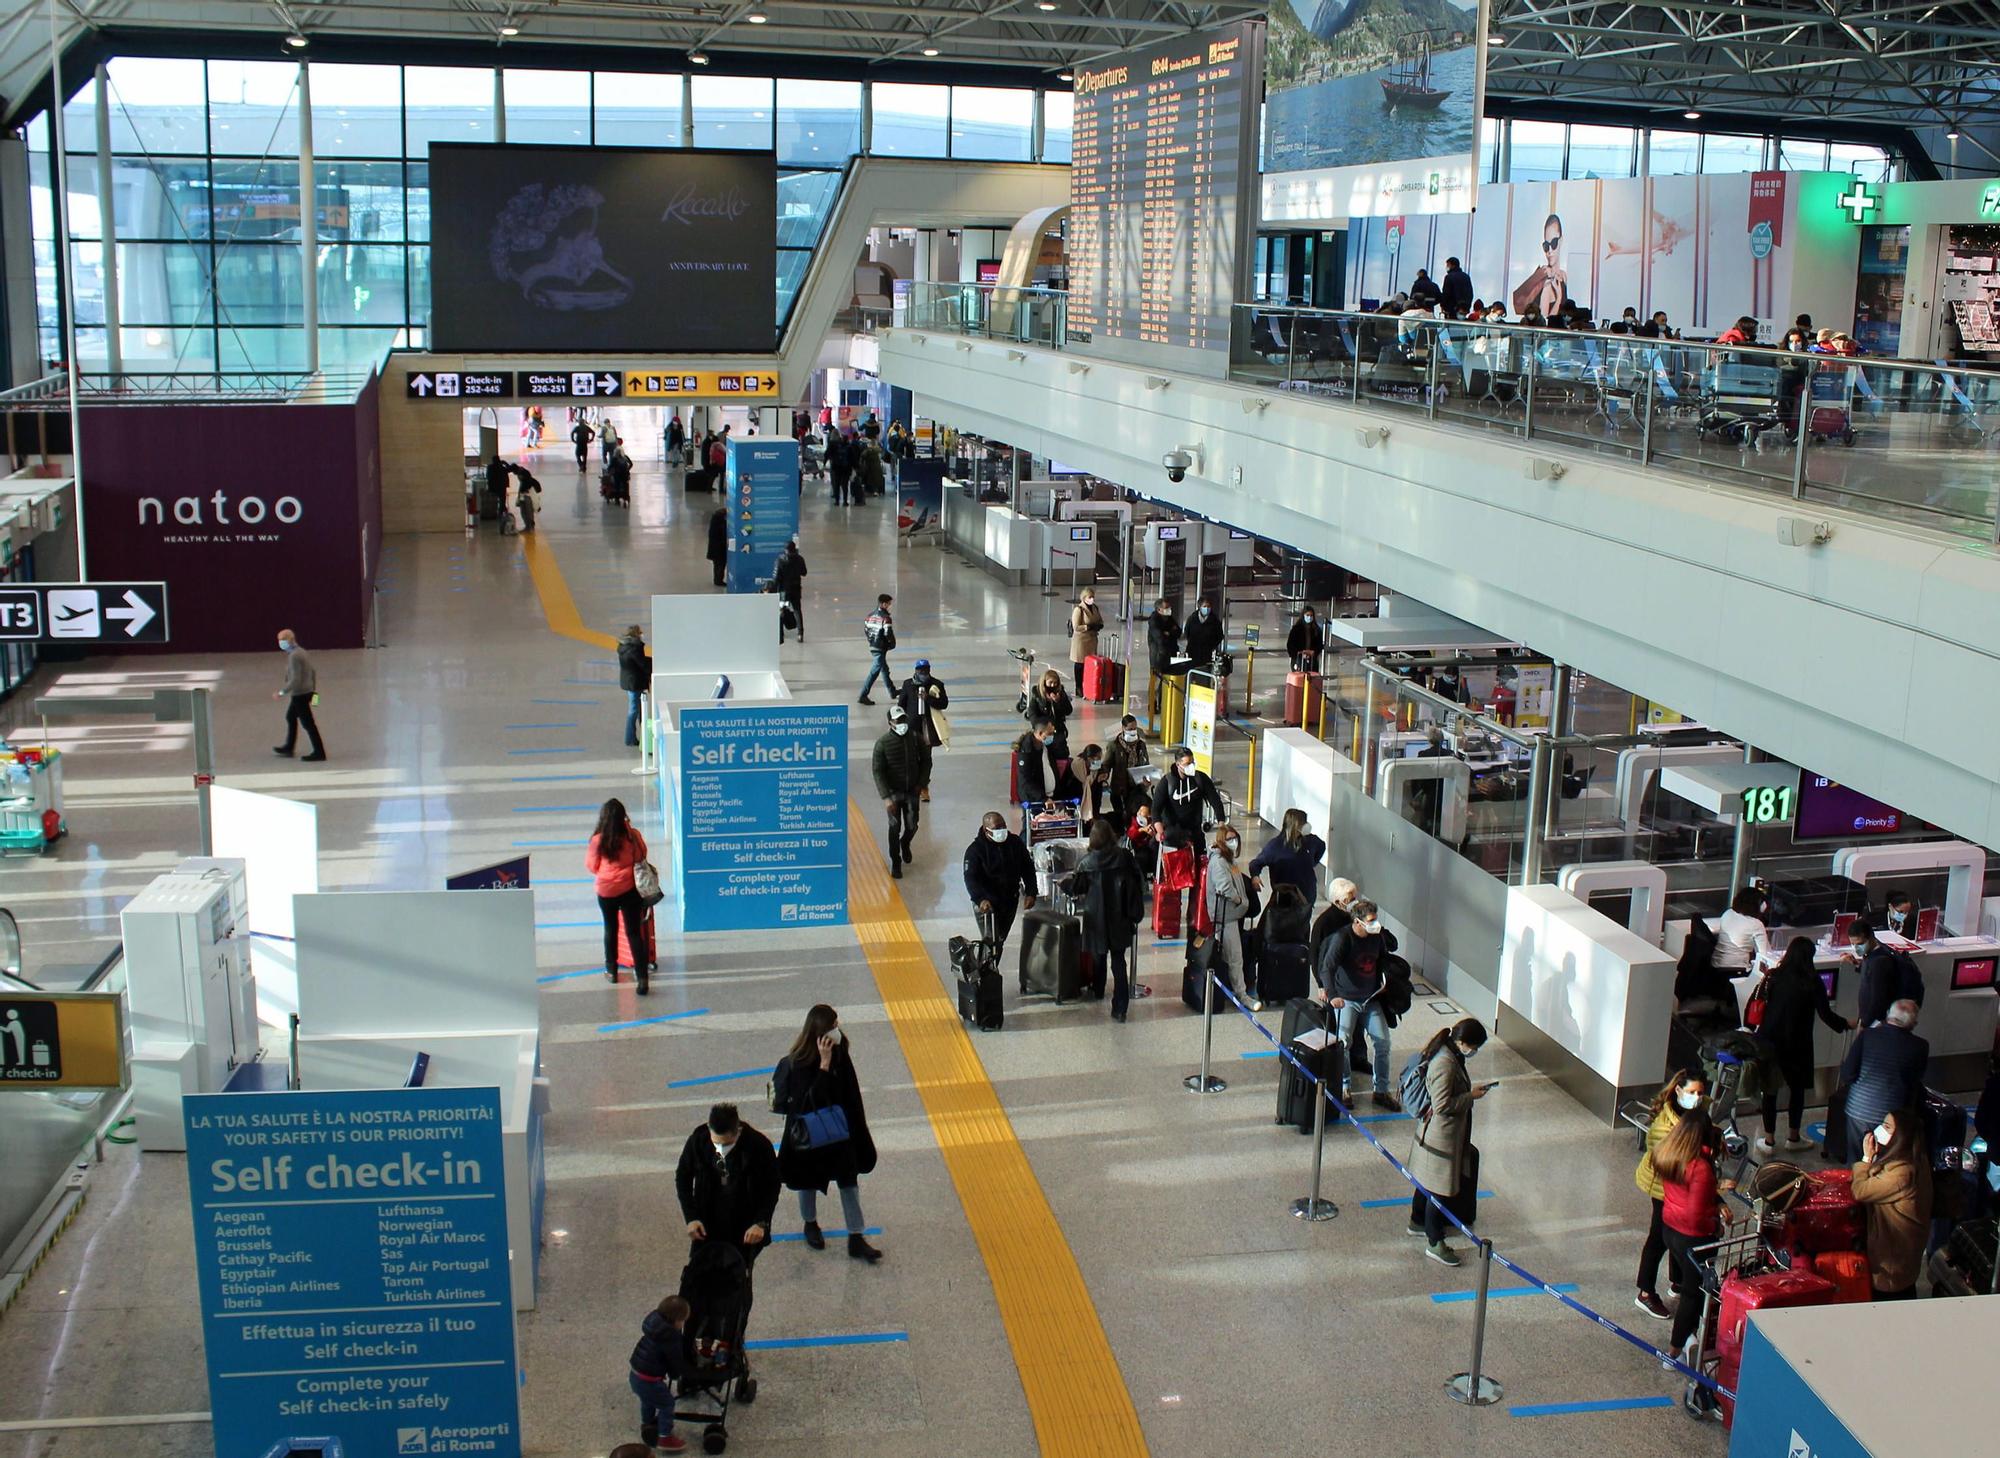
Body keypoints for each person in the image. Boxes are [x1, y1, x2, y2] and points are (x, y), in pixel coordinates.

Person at [772, 1005, 883, 1263]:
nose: (837, 1029)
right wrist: (823, 1065)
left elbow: (848, 1092)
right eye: (833, 1025)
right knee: (807, 1181)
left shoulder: (841, 1053)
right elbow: (808, 1102)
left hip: (839, 1131)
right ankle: (810, 1223)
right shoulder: (799, 1062)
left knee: (848, 1181)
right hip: (811, 1134)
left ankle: (856, 1236)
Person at [1754, 937, 1855, 1153]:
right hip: (1798, 1044)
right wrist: (1846, 1024)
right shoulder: (1812, 981)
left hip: (1769, 1041)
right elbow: (1825, 1014)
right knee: (1797, 1091)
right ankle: (1793, 1137)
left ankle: (1769, 1141)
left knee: (1770, 1091)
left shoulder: (1774, 976)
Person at [1406, 1018, 1492, 1267]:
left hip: (1436, 1135)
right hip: (1441, 1138)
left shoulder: (1448, 1053)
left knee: (1426, 1183)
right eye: (1473, 1047)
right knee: (1439, 1191)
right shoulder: (1445, 1063)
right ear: (1463, 1042)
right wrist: (1470, 1096)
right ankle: (1435, 1242)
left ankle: (1417, 1221)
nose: (1473, 1052)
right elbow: (1442, 1105)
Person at [1654, 1098, 1733, 1361]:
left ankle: (1689, 1336)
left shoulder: (1669, 1154)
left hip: (1670, 1230)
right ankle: (1674, 1351)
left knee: (1690, 1286)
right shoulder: (1699, 1168)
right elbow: (1697, 1215)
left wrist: (1717, 1200)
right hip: (1693, 1238)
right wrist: (1715, 1227)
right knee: (1692, 1293)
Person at [674, 1103, 780, 1283]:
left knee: (737, 1278)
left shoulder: (759, 1146)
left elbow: (772, 1187)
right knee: (702, 1274)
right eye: (716, 1142)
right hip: (707, 1220)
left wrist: (761, 1223)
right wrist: (691, 1217)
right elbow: (683, 1177)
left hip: (743, 1224)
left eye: (727, 1144)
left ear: (737, 1130)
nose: (720, 1148)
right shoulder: (698, 1141)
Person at [1633, 1069, 1709, 1320]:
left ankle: (1677, 1281)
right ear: (1678, 1091)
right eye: (1691, 1092)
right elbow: (1672, 1164)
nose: (1697, 1097)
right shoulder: (1662, 1128)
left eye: (1700, 1092)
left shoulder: (1698, 1110)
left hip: (1684, 1184)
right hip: (1662, 1186)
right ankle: (1645, 1292)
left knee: (1679, 1231)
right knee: (1659, 1236)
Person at [1316, 897, 1402, 1111]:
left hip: (1370, 998)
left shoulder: (1377, 938)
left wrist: (1385, 981)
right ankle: (1345, 1087)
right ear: (1357, 922)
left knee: (1383, 1043)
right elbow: (1327, 967)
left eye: (1375, 920)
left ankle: (1380, 1090)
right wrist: (1333, 994)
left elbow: (1382, 959)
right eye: (1370, 921)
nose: (1375, 924)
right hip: (1346, 999)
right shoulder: (1342, 938)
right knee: (1344, 1044)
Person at [1851, 1108, 1933, 1299]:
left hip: (1891, 1265)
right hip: (1903, 1260)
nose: (1879, 1129)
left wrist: (1866, 1158)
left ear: (1901, 1136)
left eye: (1887, 1126)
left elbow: (1860, 1190)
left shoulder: (1902, 1173)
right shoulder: (1915, 1158)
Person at [1838, 999, 1929, 1159]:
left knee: (1856, 1160)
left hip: (1858, 1110)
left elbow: (1848, 1074)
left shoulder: (1867, 1035)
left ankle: (1857, 1182)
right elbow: (1914, 1082)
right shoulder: (1920, 1046)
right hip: (1892, 1117)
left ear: (1888, 1015)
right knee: (1885, 1161)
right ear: (1913, 1023)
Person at [1077, 817, 1145, 1021]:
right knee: (1118, 961)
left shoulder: (1086, 862)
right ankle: (1120, 1007)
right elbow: (1137, 881)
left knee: (1098, 955)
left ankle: (1098, 989)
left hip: (1096, 919)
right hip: (1120, 918)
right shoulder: (1124, 857)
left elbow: (1078, 888)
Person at [587, 797, 651, 991]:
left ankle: (612, 970)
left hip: (606, 891)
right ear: (624, 817)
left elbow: (591, 866)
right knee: (633, 932)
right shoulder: (632, 836)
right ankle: (641, 977)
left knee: (610, 928)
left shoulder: (598, 840)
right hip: (630, 889)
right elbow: (641, 856)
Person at [963, 811, 1038, 957]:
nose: (1001, 831)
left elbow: (1027, 867)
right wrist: (980, 899)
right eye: (997, 828)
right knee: (992, 942)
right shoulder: (975, 851)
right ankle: (985, 975)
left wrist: (1031, 892)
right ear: (986, 830)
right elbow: (971, 878)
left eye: (1003, 826)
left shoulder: (1015, 843)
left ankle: (990, 971)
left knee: (1000, 940)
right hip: (987, 905)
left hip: (1009, 901)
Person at [626, 1293, 692, 1454]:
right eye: (682, 1321)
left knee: (647, 1400)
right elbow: (675, 1360)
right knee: (667, 1403)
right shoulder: (672, 1337)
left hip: (635, 1374)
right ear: (676, 1321)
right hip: (649, 1380)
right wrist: (678, 1374)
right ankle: (665, 1437)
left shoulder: (654, 1327)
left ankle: (647, 1423)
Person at [872, 705, 925, 879]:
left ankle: (906, 842)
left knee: (912, 824)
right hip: (893, 793)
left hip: (912, 791)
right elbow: (878, 771)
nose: (902, 723)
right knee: (894, 827)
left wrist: (922, 783)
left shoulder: (916, 739)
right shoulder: (882, 744)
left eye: (903, 719)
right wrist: (886, 798)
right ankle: (896, 861)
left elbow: (926, 761)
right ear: (890, 723)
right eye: (898, 720)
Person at [1203, 824, 1252, 1001]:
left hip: (1232, 914)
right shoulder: (1218, 862)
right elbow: (1224, 887)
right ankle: (1242, 994)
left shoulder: (1229, 860)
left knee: (1229, 956)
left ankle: (1230, 990)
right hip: (1225, 916)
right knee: (1234, 957)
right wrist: (1239, 899)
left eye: (1235, 838)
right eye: (1229, 839)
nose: (1233, 842)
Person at [1848, 916, 1925, 1026]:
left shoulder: (1879, 962)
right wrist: (1858, 965)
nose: (1856, 948)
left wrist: (1864, 1024)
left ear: (1871, 938)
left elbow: (1877, 1000)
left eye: (1860, 943)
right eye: (1853, 944)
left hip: (1876, 1023)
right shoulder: (1876, 953)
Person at [894, 659, 949, 801]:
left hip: (928, 727)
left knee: (925, 758)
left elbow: (944, 704)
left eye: (925, 670)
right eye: (920, 670)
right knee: (911, 756)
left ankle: (924, 786)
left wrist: (928, 699)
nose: (923, 673)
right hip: (912, 726)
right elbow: (901, 705)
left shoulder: (937, 684)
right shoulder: (908, 684)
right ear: (916, 671)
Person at [1149, 746, 1224, 850]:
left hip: (1195, 832)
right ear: (1178, 764)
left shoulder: (1200, 779)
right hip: (1172, 834)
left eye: (1192, 762)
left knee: (1200, 861)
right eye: (1187, 764)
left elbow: (1215, 801)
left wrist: (1221, 824)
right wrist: (1160, 832)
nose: (1191, 766)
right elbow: (1155, 810)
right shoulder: (1167, 782)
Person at [271, 628, 327, 762]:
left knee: (308, 724)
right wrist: (313, 690)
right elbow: (313, 672)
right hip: (307, 691)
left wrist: (281, 692)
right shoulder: (301, 651)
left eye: (281, 641)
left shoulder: (294, 656)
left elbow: (295, 679)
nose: (280, 643)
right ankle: (289, 746)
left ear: (288, 641)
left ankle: (319, 752)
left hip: (300, 694)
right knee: (290, 717)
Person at [1249, 808, 1324, 906]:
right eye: (1303, 822)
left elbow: (1321, 846)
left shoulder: (1310, 841)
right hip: (1285, 898)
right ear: (1295, 825)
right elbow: (1256, 863)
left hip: (1307, 897)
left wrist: (1312, 862)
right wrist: (1255, 876)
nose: (1306, 825)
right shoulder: (1275, 846)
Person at [1512, 213, 1567, 319]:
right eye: (1546, 246)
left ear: (1561, 241)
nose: (1549, 251)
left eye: (1554, 243)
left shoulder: (1563, 276)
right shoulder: (1547, 282)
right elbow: (1545, 322)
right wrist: (1559, 298)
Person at [1713, 885, 1777, 972]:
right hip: (1738, 969)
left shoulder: (1728, 913)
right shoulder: (1756, 924)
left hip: (1717, 964)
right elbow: (1764, 955)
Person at [1013, 719, 1075, 808]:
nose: (1052, 736)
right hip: (1035, 800)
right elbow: (1025, 781)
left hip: (1050, 797)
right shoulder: (1026, 752)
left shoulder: (1046, 746)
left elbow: (1063, 755)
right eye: (1050, 733)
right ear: (1040, 733)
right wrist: (1043, 798)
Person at [1104, 715, 1153, 825]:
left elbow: (1146, 765)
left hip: (1137, 788)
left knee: (1136, 818)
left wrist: (1147, 778)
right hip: (1120, 789)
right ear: (1123, 728)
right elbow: (1107, 764)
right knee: (1122, 818)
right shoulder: (1114, 745)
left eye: (1135, 728)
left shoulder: (1141, 745)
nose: (1133, 731)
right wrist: (1104, 775)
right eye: (1130, 729)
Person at [1025, 669, 1073, 760]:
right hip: (1044, 731)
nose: (1053, 685)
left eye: (1055, 683)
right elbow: (1032, 714)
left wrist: (1058, 702)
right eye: (1050, 682)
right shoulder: (1037, 695)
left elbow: (1068, 710)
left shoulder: (1061, 693)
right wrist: (1042, 727)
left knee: (1061, 753)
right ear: (1044, 682)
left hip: (1058, 729)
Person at [858, 593, 897, 706]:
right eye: (889, 604)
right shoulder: (886, 618)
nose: (890, 606)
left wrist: (871, 640)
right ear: (884, 604)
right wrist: (892, 643)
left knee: (884, 669)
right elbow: (888, 633)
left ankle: (892, 691)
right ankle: (863, 695)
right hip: (880, 647)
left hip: (873, 645)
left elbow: (866, 630)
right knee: (875, 671)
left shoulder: (870, 616)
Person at [1146, 598, 1183, 713]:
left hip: (1170, 654)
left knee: (1166, 680)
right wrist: (1168, 634)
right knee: (1156, 680)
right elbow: (1159, 638)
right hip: (1158, 655)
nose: (1169, 610)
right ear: (1159, 609)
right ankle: (1152, 704)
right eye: (1166, 608)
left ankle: (1162, 703)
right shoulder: (1154, 621)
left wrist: (1168, 633)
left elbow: (1178, 631)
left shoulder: (1169, 618)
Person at [617, 624, 651, 749]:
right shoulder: (635, 648)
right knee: (634, 710)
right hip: (636, 682)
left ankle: (641, 737)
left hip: (629, 681)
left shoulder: (623, 646)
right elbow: (641, 663)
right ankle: (630, 738)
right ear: (636, 634)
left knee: (638, 709)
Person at [1068, 588, 1105, 696]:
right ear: (1084, 598)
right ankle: (1078, 687)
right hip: (1081, 641)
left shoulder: (1095, 608)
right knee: (1080, 664)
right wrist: (1088, 627)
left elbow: (1100, 619)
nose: (1092, 599)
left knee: (1090, 664)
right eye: (1089, 597)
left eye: (1093, 597)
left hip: (1092, 639)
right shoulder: (1079, 609)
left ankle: (1088, 685)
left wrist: (1099, 625)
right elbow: (1076, 627)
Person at [773, 539, 807, 643]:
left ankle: (780, 634)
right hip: (796, 589)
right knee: (797, 610)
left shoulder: (780, 560)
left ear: (785, 549)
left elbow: (776, 577)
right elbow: (804, 572)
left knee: (782, 610)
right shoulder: (800, 559)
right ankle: (800, 633)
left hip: (784, 591)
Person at [1183, 596, 1224, 673]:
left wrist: (1211, 645)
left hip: (1206, 653)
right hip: (1193, 651)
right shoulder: (1192, 618)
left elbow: (1219, 635)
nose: (1207, 608)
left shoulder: (1214, 620)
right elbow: (1187, 632)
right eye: (1204, 606)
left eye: (1208, 606)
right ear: (1199, 607)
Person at [1285, 607, 1325, 675]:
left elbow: (1320, 645)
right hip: (1298, 660)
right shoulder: (1296, 629)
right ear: (1303, 615)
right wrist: (1299, 653)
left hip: (1312, 661)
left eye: (1311, 615)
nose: (1309, 617)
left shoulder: (1316, 629)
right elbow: (1290, 645)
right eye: (1307, 615)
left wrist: (1313, 652)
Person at [856, 424, 887, 499]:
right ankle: (876, 491)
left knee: (870, 479)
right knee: (876, 479)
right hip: (877, 467)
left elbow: (862, 456)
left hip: (869, 468)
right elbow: (878, 431)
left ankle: (869, 490)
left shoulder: (867, 451)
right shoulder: (877, 450)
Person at [826, 428, 853, 505]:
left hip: (836, 466)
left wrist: (825, 462)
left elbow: (827, 453)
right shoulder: (847, 445)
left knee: (836, 483)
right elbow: (851, 457)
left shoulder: (831, 443)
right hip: (845, 468)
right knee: (845, 485)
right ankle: (845, 501)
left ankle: (837, 500)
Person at [706, 505, 729, 588]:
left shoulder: (715, 521)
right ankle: (718, 580)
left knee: (718, 564)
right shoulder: (720, 522)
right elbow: (723, 533)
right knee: (720, 564)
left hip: (715, 548)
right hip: (719, 548)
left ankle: (717, 579)